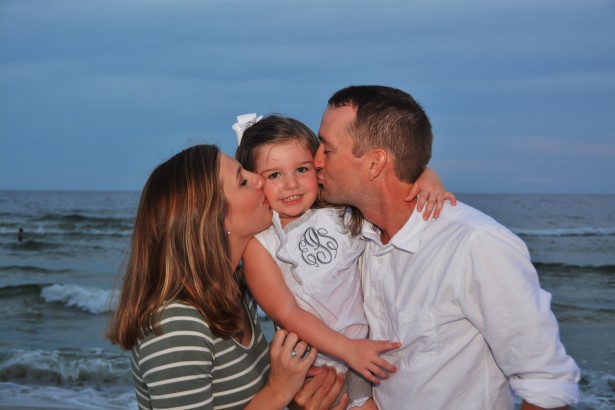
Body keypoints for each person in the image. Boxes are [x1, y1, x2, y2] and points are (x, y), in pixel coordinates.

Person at [313, 85, 580, 410]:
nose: (314, 161)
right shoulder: (357, 238)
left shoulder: (474, 244)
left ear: (375, 163)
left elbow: (548, 388)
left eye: (327, 150)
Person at [234, 114, 454, 409]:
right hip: (321, 363)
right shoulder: (262, 245)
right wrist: (347, 349)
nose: (291, 184)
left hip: (370, 343)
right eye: (274, 175)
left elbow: (389, 192)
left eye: (302, 169)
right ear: (255, 182)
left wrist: (427, 177)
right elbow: (287, 313)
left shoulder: (339, 210)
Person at [107, 144, 347, 410]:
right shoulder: (175, 324)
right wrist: (278, 391)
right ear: (213, 219)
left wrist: (293, 398)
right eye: (243, 181)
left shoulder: (235, 292)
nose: (259, 179)